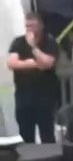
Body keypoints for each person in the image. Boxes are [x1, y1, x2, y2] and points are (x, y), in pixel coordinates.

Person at [6, 12, 59, 144]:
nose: (29, 29)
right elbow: (12, 63)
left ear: (40, 26)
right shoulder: (18, 42)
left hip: (45, 97)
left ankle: (49, 157)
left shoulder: (49, 41)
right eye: (27, 26)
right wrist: (34, 64)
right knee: (25, 135)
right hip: (23, 97)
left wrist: (33, 47)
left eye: (32, 26)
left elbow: (48, 63)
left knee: (47, 134)